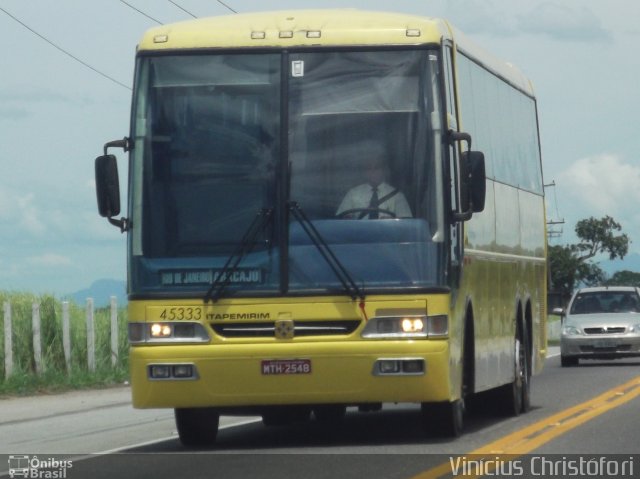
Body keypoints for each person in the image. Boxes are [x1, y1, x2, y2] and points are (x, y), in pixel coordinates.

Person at [336, 155, 412, 219]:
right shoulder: (353, 194)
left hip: (387, 235)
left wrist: (392, 221)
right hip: (358, 235)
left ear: (384, 170)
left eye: (377, 167)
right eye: (369, 168)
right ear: (365, 172)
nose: (373, 171)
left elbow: (405, 223)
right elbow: (341, 220)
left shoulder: (397, 196)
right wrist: (348, 219)